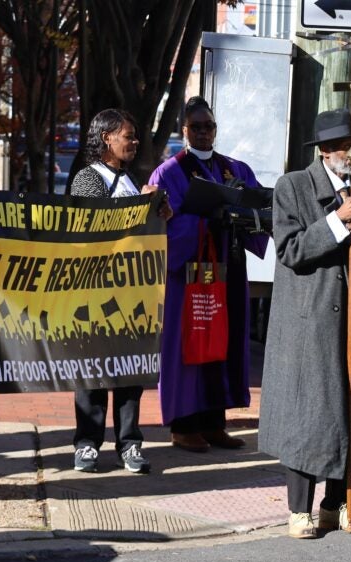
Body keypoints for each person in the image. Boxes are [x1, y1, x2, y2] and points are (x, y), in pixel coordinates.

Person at [258, 109, 351, 539]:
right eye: (337, 149)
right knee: (308, 413)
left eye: (350, 148)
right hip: (308, 320)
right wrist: (336, 222)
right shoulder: (292, 186)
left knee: (347, 410)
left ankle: (338, 505)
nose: (346, 157)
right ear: (323, 152)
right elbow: (291, 249)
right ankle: (300, 510)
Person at [148, 96, 268, 454]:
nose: (203, 133)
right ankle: (184, 426)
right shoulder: (169, 172)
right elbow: (161, 225)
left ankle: (215, 423)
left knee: (224, 344)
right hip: (189, 276)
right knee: (191, 344)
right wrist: (206, 220)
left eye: (209, 126)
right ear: (184, 130)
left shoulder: (235, 169)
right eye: (196, 127)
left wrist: (242, 216)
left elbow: (257, 208)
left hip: (228, 270)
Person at [68, 108, 159, 475]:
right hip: (94, 292)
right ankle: (87, 445)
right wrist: (140, 206)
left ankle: (130, 443)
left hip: (130, 293)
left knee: (128, 372)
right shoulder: (87, 179)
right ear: (107, 138)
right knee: (91, 372)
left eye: (135, 137)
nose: (134, 143)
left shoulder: (129, 179)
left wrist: (156, 209)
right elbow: (93, 226)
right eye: (128, 136)